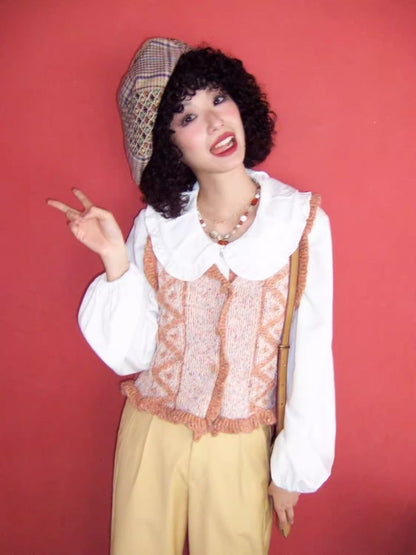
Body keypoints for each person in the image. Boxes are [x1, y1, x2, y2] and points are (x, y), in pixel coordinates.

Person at [48, 37, 335, 555]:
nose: (215, 122)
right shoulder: (157, 227)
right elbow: (134, 354)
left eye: (218, 99)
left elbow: (312, 350)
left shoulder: (300, 221)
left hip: (242, 445)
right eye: (187, 117)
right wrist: (114, 259)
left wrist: (292, 468)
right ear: (170, 145)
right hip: (151, 435)